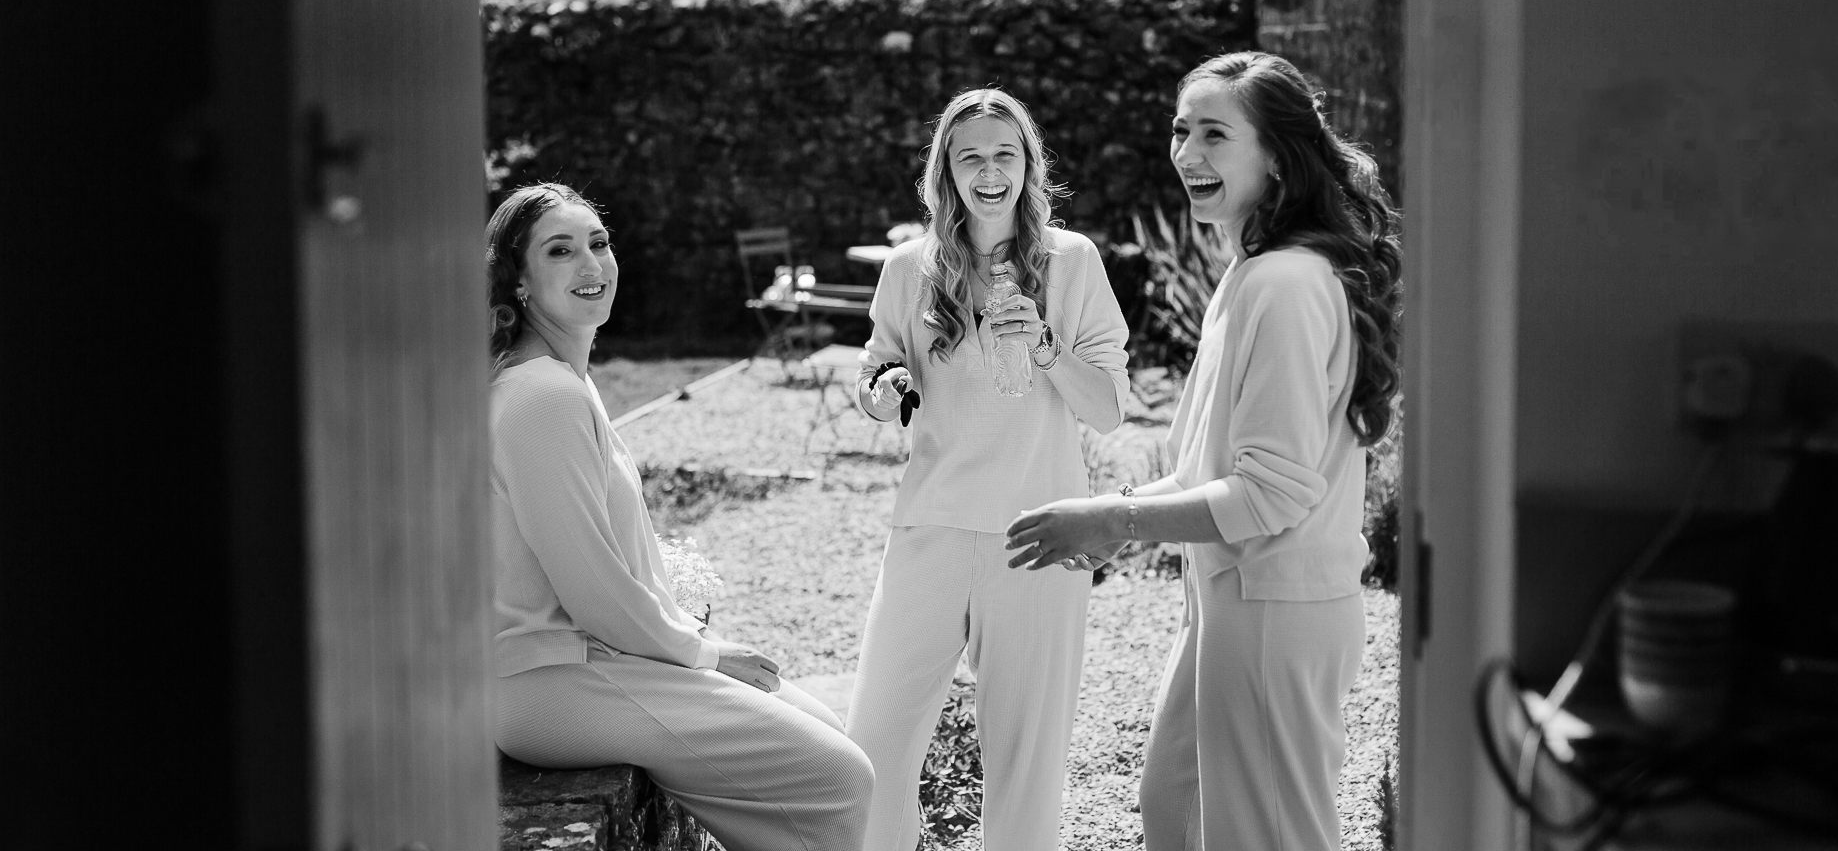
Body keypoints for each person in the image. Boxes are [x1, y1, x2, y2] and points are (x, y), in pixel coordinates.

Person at [1005, 52, 1403, 851]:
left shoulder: (1284, 286)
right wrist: (1109, 521)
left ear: (1279, 157)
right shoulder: (1251, 272)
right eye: (1181, 130)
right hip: (1230, 600)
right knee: (1173, 803)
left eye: (1215, 134)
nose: (1187, 154)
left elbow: (1271, 494)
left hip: (1273, 610)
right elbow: (1208, 471)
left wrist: (1114, 517)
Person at [485, 182, 873, 851]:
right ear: (518, 284)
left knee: (830, 733)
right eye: (560, 251)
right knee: (840, 776)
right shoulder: (541, 397)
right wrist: (703, 652)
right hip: (550, 679)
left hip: (593, 655)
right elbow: (591, 586)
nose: (591, 264)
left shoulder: (563, 379)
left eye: (599, 244)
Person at [848, 88, 1131, 851]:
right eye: (970, 155)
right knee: (873, 745)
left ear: (1029, 165)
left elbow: (1107, 408)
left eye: (1005, 153)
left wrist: (1043, 345)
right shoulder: (910, 266)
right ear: (946, 170)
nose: (989, 170)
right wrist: (885, 391)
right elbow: (876, 375)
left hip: (1040, 533)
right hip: (931, 526)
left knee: (1026, 764)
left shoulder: (1074, 263)